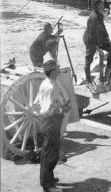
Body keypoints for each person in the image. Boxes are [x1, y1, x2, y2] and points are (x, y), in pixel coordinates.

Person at [34, 53, 70, 192]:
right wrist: (62, 108)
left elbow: (37, 102)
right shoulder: (51, 87)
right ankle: (48, 186)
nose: (59, 70)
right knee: (51, 154)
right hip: (51, 122)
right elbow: (49, 109)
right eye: (57, 68)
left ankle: (46, 178)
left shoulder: (46, 82)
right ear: (52, 71)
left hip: (45, 122)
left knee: (46, 152)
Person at [83, 0, 111, 92]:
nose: (103, 5)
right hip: (91, 41)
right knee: (88, 60)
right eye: (101, 4)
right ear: (96, 6)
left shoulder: (100, 15)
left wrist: (108, 40)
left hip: (99, 39)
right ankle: (88, 81)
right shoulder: (93, 18)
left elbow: (103, 28)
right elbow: (92, 35)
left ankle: (106, 75)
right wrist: (98, 48)